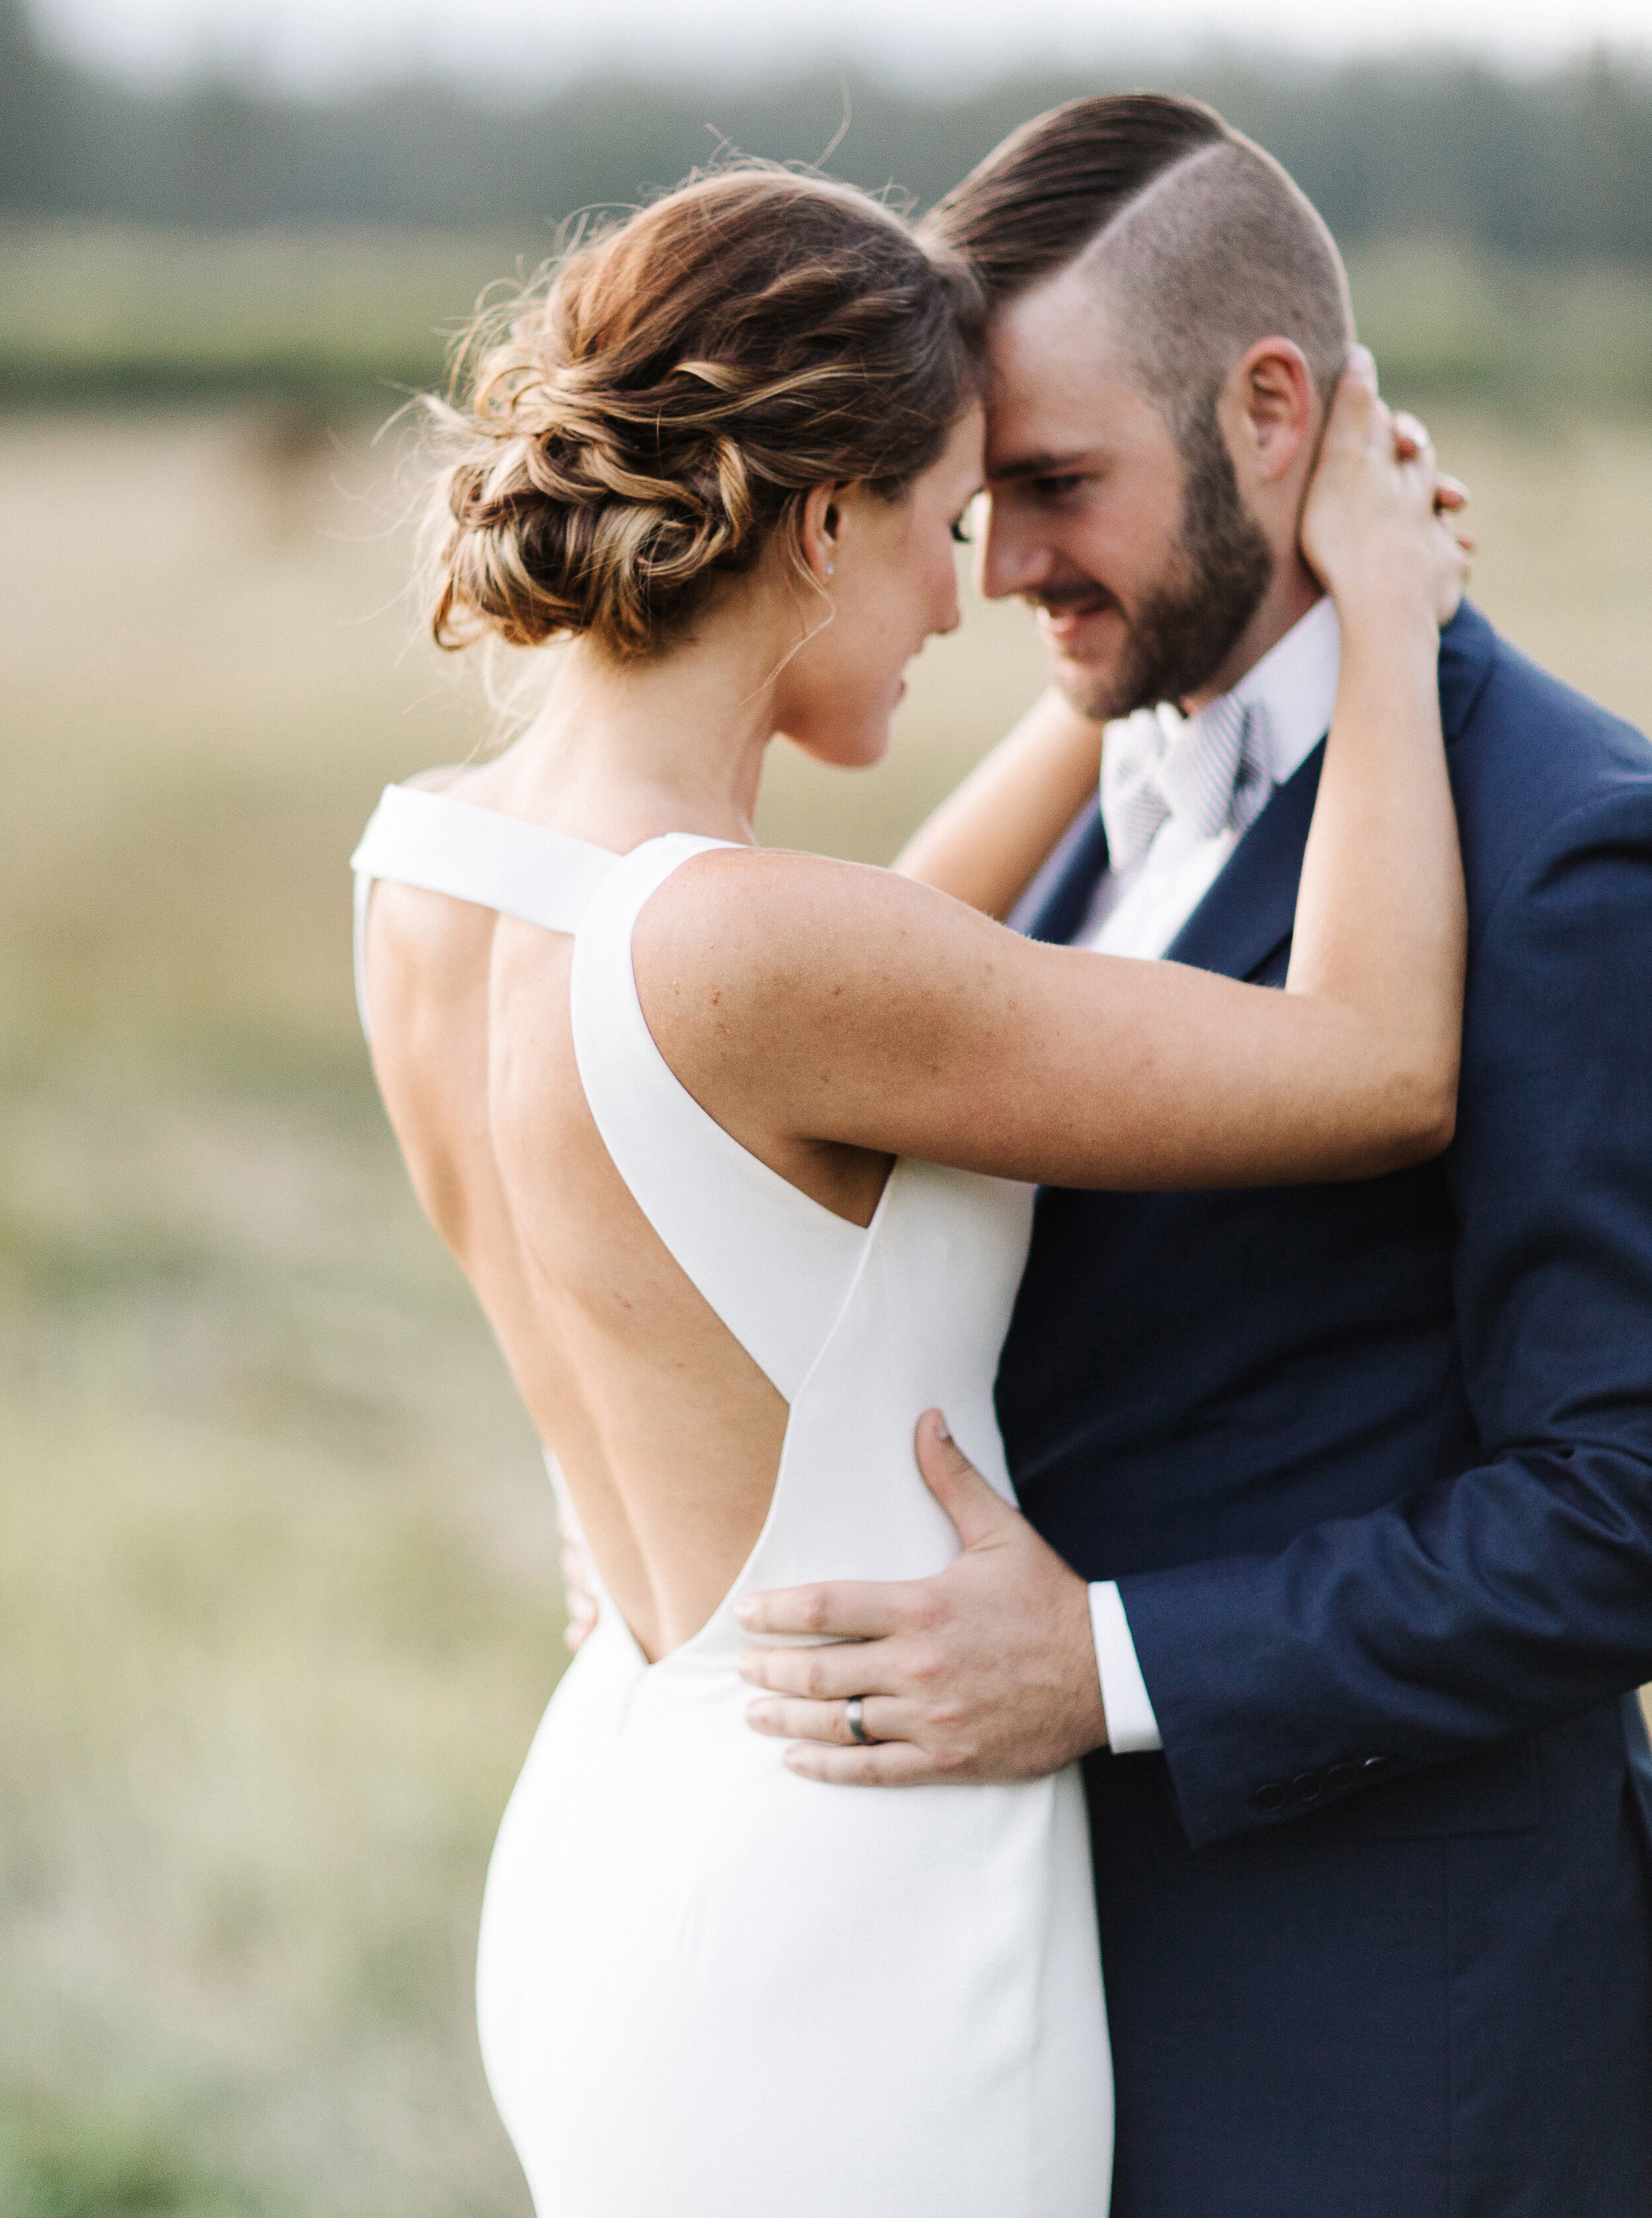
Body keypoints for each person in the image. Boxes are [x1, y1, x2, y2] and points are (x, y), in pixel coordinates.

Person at [350, 163, 1465, 2217]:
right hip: (853, 1902)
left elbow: (848, 985)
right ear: (820, 520)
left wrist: (1093, 694)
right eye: (950, 524)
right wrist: (1386, 619)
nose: (971, 595)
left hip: (619, 1828)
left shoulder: (431, 866)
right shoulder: (764, 956)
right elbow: (1380, 1070)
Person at [737, 98, 1652, 2215]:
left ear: (1268, 415)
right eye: (979, 504)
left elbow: (1621, 1506)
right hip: (1035, 1989)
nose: (1006, 572)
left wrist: (1111, 1662)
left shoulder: (1566, 844)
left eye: (1057, 488)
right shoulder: (1095, 786)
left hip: (1388, 2044)